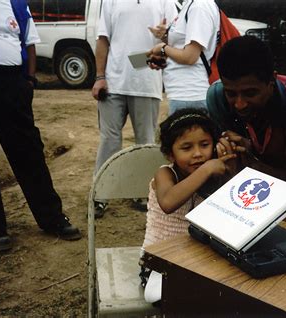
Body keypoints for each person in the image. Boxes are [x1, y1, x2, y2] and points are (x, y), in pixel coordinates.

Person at [0, 0, 81, 251]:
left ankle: (52, 219)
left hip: (13, 84)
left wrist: (29, 81)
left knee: (29, 153)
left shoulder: (17, 3)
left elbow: (28, 42)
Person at [91, 0, 177, 218]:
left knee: (146, 142)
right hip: (114, 82)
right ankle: (100, 195)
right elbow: (103, 39)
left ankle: (142, 192)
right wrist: (100, 77)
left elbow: (176, 40)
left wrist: (166, 35)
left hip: (147, 84)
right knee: (109, 140)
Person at [207, 35, 286, 195]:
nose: (240, 104)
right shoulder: (217, 96)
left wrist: (254, 165)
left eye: (250, 93)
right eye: (231, 94)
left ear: (272, 80)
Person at [140, 108, 236, 289]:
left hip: (199, 263)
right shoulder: (166, 174)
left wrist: (229, 172)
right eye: (186, 148)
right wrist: (206, 169)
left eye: (205, 144)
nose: (198, 153)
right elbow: (168, 202)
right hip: (159, 264)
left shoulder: (214, 177)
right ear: (170, 154)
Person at [147, 0, 220, 114]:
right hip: (182, 93)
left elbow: (190, 57)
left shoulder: (199, 7)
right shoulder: (190, 4)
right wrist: (165, 37)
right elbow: (183, 47)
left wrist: (163, 48)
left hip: (190, 95)